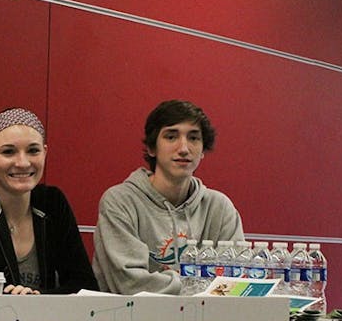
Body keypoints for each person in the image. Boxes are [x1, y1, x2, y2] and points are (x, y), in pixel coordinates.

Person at [0, 107, 98, 294]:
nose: (23, 162)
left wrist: (35, 299)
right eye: (8, 152)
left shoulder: (53, 203)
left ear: (45, 153)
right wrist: (9, 300)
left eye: (33, 151)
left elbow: (85, 288)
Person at [92, 99, 244, 295]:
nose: (183, 148)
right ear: (151, 148)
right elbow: (130, 285)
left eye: (194, 138)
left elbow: (235, 283)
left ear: (203, 150)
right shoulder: (120, 202)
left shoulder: (220, 208)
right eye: (171, 137)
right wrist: (202, 286)